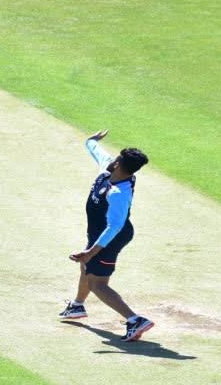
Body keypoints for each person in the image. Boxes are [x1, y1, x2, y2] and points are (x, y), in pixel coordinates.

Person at [60, 130, 154, 342]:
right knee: (86, 266)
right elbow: (99, 155)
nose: (112, 159)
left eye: (116, 159)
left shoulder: (119, 194)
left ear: (119, 165)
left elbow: (114, 226)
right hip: (98, 234)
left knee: (98, 283)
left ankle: (134, 320)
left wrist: (92, 251)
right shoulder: (108, 171)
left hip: (111, 238)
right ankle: (77, 305)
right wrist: (91, 141)